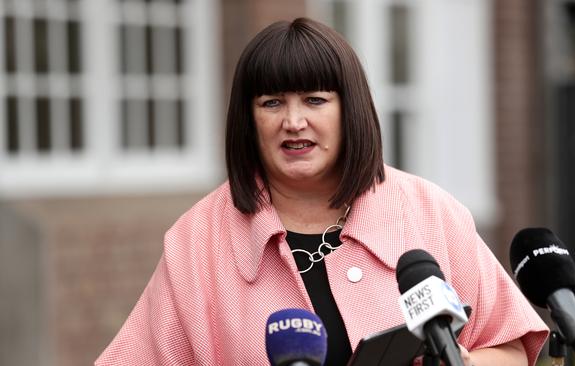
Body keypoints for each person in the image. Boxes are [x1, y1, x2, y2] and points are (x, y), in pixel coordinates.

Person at [96, 17, 548, 366]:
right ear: (247, 120)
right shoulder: (198, 241)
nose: (293, 122)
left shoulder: (429, 212)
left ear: (349, 109)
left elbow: (508, 346)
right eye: (272, 103)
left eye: (315, 100)